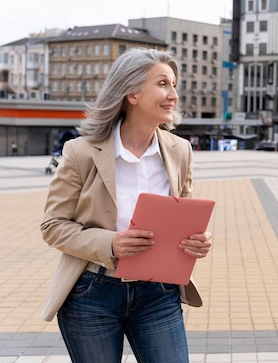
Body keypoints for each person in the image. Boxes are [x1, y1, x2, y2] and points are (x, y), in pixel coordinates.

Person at [40, 48, 213, 363]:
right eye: (163, 84)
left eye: (174, 85)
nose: (173, 95)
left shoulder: (181, 150)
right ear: (132, 93)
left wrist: (195, 241)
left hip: (159, 293)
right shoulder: (81, 153)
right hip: (92, 293)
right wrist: (111, 243)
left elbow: (181, 219)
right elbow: (53, 227)